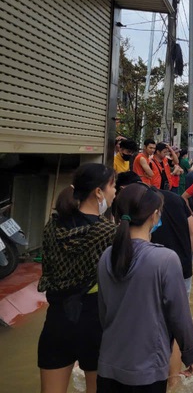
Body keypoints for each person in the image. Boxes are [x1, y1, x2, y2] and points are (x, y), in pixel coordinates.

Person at [97, 182, 193, 392]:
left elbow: (104, 312)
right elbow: (180, 316)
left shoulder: (107, 255)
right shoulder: (165, 259)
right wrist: (189, 354)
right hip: (147, 372)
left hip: (108, 364)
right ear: (154, 215)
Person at [37, 163, 117, 393]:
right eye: (112, 185)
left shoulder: (52, 226)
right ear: (98, 192)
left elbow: (48, 267)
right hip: (94, 321)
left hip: (57, 320)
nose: (115, 191)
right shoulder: (108, 233)